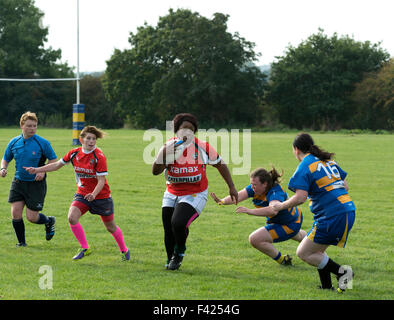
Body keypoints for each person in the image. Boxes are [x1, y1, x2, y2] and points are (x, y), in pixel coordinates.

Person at [24, 125, 130, 261]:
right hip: (82, 193)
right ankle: (85, 248)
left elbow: (101, 181)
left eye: (94, 139)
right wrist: (38, 169)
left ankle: (124, 250)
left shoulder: (99, 156)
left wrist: (93, 194)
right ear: (81, 140)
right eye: (89, 138)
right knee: (72, 217)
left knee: (110, 226)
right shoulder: (74, 153)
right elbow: (57, 165)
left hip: (101, 196)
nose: (91, 141)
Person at [152, 113, 238, 270]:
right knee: (168, 226)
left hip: (195, 193)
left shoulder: (203, 147)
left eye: (191, 129)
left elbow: (221, 165)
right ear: (176, 131)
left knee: (178, 223)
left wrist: (231, 187)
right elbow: (155, 171)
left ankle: (179, 253)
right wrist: (164, 153)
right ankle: (170, 259)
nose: (187, 132)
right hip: (172, 192)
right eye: (184, 129)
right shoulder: (169, 146)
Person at [270, 133, 355, 292]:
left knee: (303, 253)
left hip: (332, 215)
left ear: (296, 150)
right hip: (347, 210)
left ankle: (344, 273)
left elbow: (300, 198)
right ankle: (326, 286)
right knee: (317, 251)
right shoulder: (328, 160)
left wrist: (280, 206)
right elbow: (345, 186)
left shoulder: (305, 165)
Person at [211, 167, 306, 266]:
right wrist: (222, 201)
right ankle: (311, 241)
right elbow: (238, 196)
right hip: (291, 219)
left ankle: (283, 260)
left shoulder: (275, 192)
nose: (252, 187)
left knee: (255, 239)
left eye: (254, 185)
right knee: (298, 236)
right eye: (251, 184)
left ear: (265, 184)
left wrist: (250, 211)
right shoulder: (256, 188)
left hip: (289, 224)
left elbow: (273, 210)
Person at [1, 111, 57, 246]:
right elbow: (5, 158)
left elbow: (54, 160)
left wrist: (42, 171)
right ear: (22, 126)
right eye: (29, 126)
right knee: (15, 213)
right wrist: (3, 168)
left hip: (35, 184)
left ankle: (49, 221)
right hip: (18, 182)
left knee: (31, 217)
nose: (32, 129)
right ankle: (22, 243)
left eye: (35, 126)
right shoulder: (14, 142)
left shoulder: (42, 143)